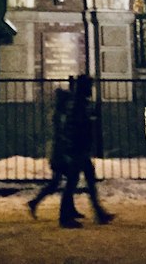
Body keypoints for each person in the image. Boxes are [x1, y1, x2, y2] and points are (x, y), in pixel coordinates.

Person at [59, 74, 115, 229]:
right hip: (78, 148)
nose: (91, 89)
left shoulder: (80, 103)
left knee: (86, 179)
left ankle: (97, 212)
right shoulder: (78, 104)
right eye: (90, 86)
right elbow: (76, 127)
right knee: (73, 181)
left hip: (79, 148)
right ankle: (65, 217)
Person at [27, 86, 81, 219]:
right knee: (70, 180)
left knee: (60, 181)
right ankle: (36, 203)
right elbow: (61, 135)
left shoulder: (58, 114)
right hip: (60, 153)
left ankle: (36, 203)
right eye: (68, 100)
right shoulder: (60, 115)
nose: (71, 103)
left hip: (58, 152)